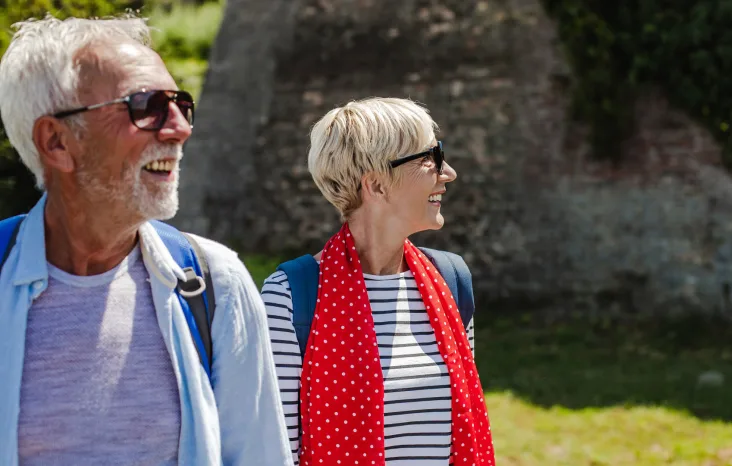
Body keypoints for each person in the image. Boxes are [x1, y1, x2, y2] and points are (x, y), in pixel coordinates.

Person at [0, 15, 293, 465]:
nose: (180, 128)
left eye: (180, 104)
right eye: (146, 106)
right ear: (56, 141)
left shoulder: (216, 284)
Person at [263, 97, 495, 465]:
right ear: (376, 185)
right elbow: (275, 453)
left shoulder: (450, 281)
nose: (448, 173)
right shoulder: (290, 296)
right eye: (430, 158)